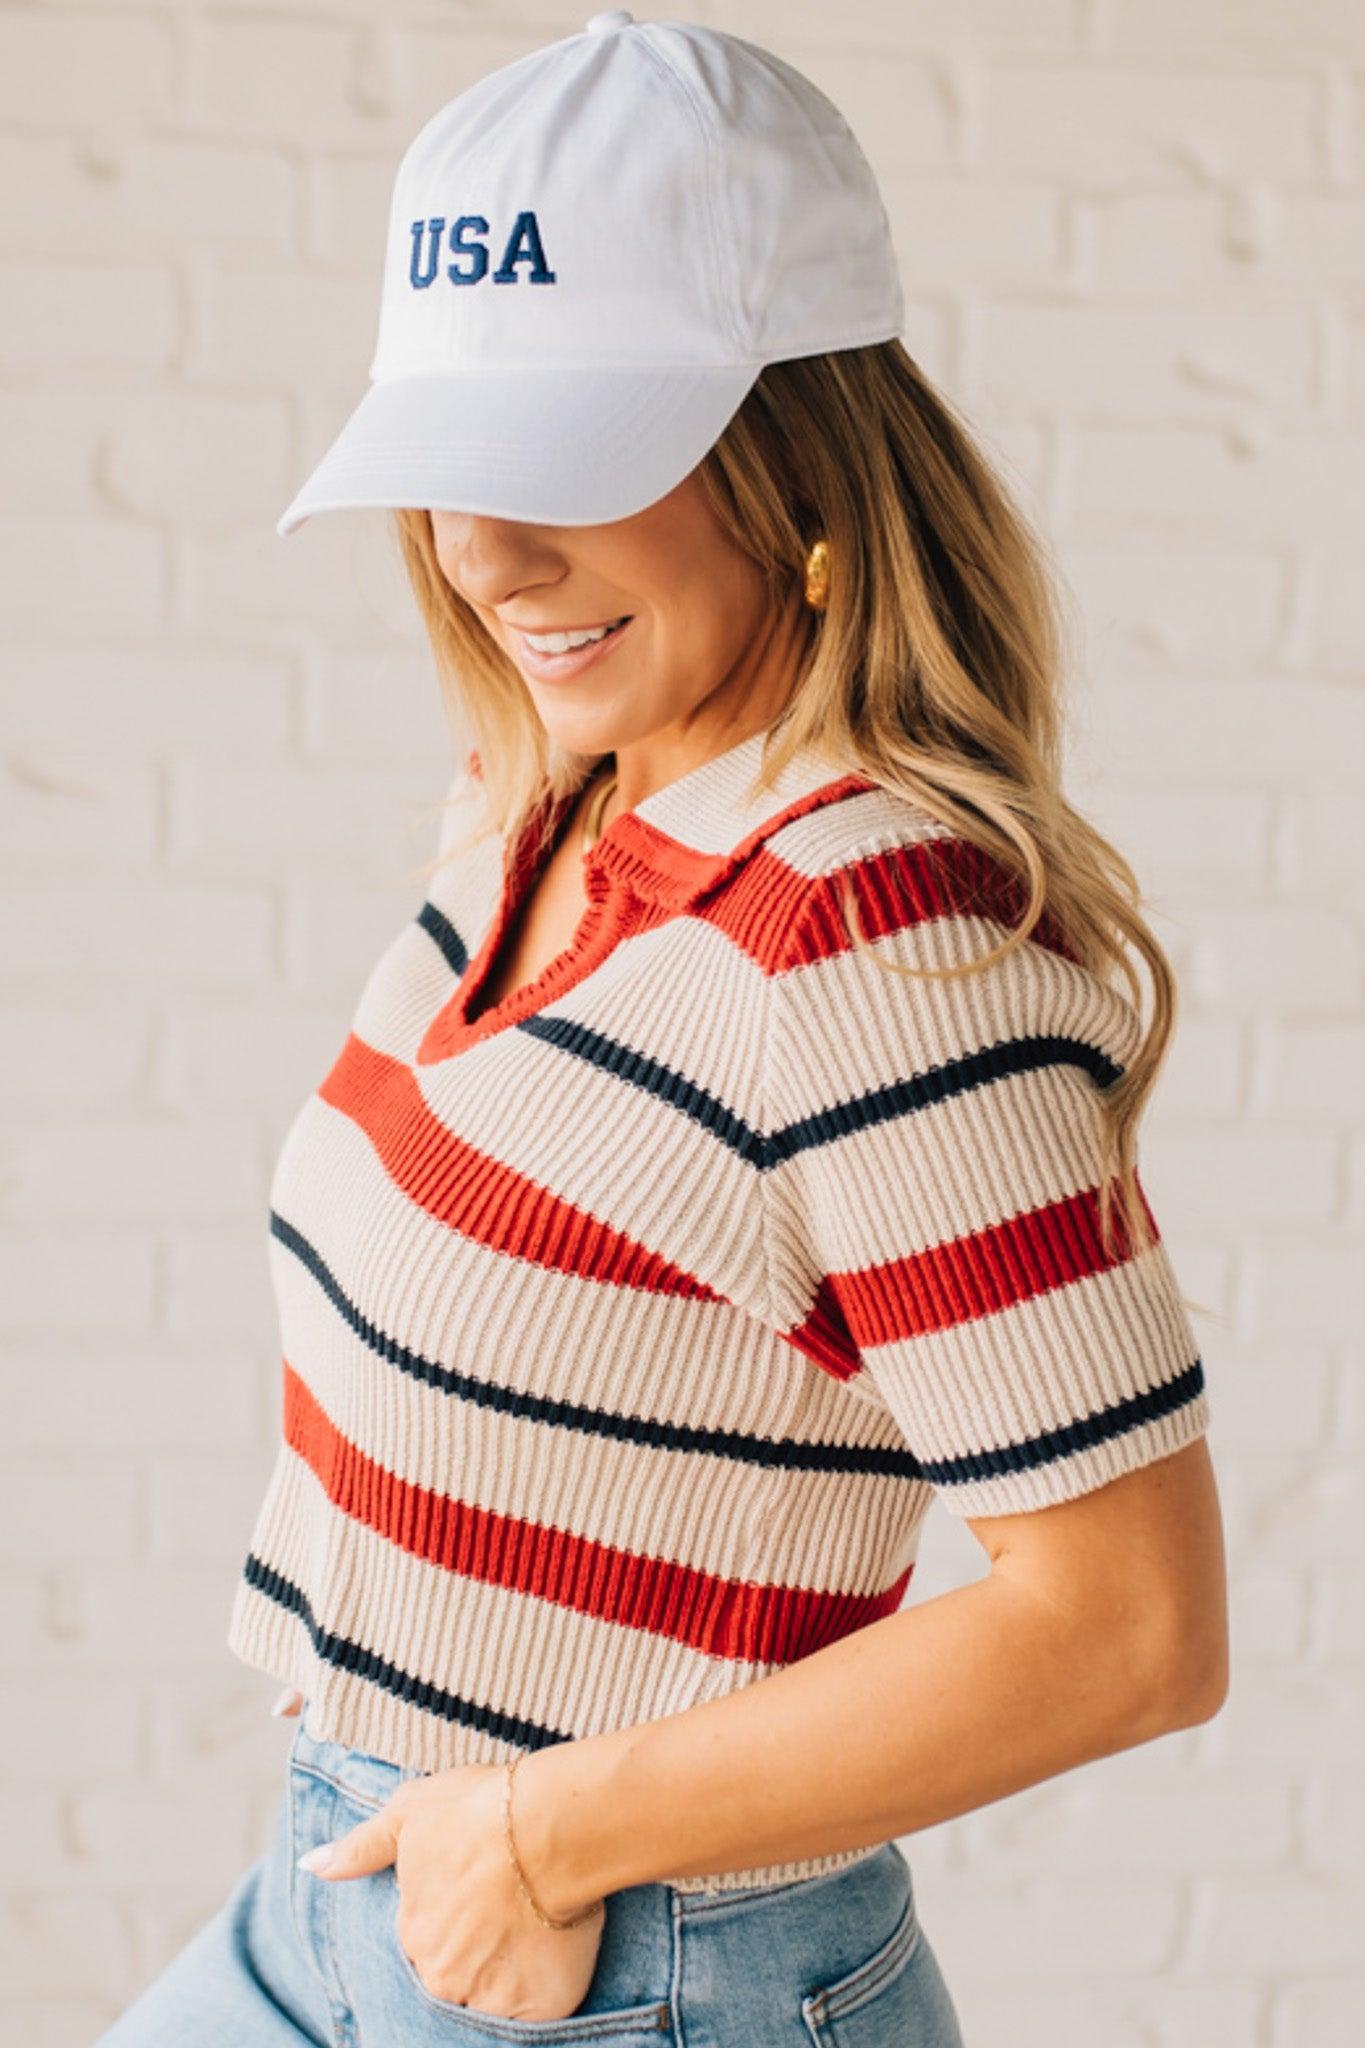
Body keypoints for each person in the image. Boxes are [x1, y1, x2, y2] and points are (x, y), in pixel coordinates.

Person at [93, 11, 1227, 2046]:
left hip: (624, 1966)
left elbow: (1125, 1628)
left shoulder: (867, 930)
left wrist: (535, 1838)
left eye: (569, 466)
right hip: (350, 1887)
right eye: (448, 467)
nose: (481, 551)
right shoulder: (554, 788)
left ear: (799, 443)